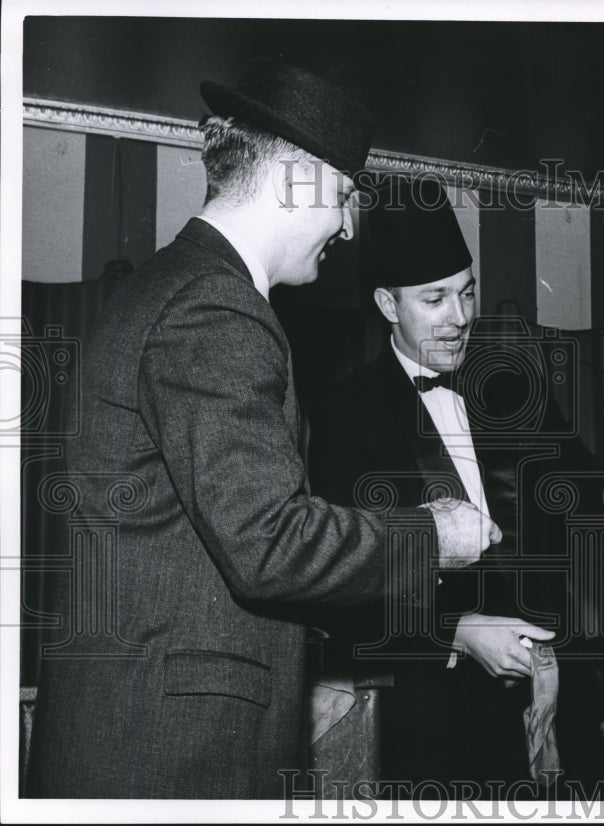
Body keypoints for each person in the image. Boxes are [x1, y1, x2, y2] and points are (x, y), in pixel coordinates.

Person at [27, 61, 498, 800]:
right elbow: (269, 545)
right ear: (289, 180)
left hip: (141, 732)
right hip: (175, 750)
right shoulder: (218, 309)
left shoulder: (168, 287)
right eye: (342, 197)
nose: (346, 226)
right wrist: (434, 535)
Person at [307, 176, 604, 796]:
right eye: (435, 300)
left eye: (467, 292)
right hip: (436, 714)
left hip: (556, 692)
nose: (460, 318)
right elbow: (339, 572)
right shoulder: (349, 413)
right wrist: (455, 630)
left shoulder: (511, 387)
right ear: (386, 305)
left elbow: (583, 493)